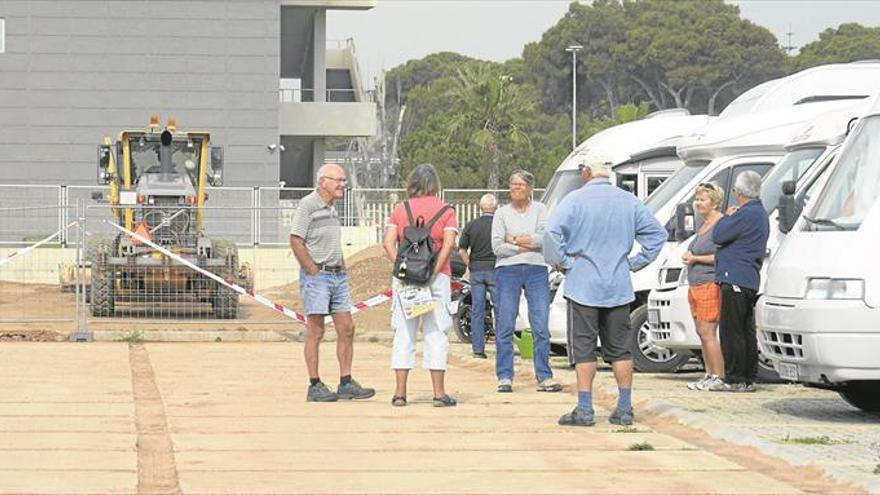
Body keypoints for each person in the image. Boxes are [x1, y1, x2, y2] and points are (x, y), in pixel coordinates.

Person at [544, 151, 666, 427]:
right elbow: (658, 235)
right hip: (618, 285)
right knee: (621, 350)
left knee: (584, 349)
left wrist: (563, 262)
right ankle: (624, 408)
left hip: (583, 284)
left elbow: (551, 235)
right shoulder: (628, 201)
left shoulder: (574, 200)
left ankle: (585, 409)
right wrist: (635, 263)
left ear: (586, 172)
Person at [290, 164, 375, 402]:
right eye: (338, 180)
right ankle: (314, 385)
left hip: (338, 276)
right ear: (323, 182)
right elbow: (296, 240)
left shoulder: (332, 209)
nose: (342, 185)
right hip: (319, 277)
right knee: (316, 330)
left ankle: (346, 382)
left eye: (344, 181)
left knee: (347, 328)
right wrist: (312, 270)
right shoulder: (308, 205)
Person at [383, 163, 459, 407]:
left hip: (405, 280)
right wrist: (431, 272)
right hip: (438, 278)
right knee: (436, 332)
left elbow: (388, 244)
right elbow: (448, 245)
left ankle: (400, 393)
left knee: (404, 332)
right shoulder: (446, 211)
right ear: (435, 185)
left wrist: (405, 270)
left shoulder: (400, 209)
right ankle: (438, 393)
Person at [492, 171, 561, 394]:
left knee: (540, 323)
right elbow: (497, 247)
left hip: (536, 269)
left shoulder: (541, 210)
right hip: (507, 270)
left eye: (521, 184)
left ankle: (544, 375)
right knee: (505, 323)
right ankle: (504, 376)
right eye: (513, 184)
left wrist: (512, 239)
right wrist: (526, 243)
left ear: (530, 188)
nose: (516, 188)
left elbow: (544, 240)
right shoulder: (501, 213)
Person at [712, 170, 770, 393]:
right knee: (746, 330)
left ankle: (735, 377)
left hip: (735, 277)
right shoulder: (759, 213)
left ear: (738, 192)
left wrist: (726, 216)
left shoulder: (745, 214)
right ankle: (748, 377)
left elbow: (718, 235)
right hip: (748, 278)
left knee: (731, 330)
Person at [681, 182, 725, 391]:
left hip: (709, 283)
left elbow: (721, 256)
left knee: (708, 331)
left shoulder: (720, 224)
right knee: (700, 331)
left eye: (703, 199)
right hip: (695, 284)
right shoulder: (703, 225)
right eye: (697, 199)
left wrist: (696, 258)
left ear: (714, 202)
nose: (698, 203)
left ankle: (719, 375)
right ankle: (708, 373)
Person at [458, 193, 498, 359]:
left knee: (477, 310)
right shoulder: (500, 225)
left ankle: (478, 349)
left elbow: (461, 250)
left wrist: (470, 264)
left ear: (480, 207)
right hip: (496, 270)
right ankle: (502, 346)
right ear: (496, 208)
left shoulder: (471, 225)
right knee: (500, 309)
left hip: (477, 271)